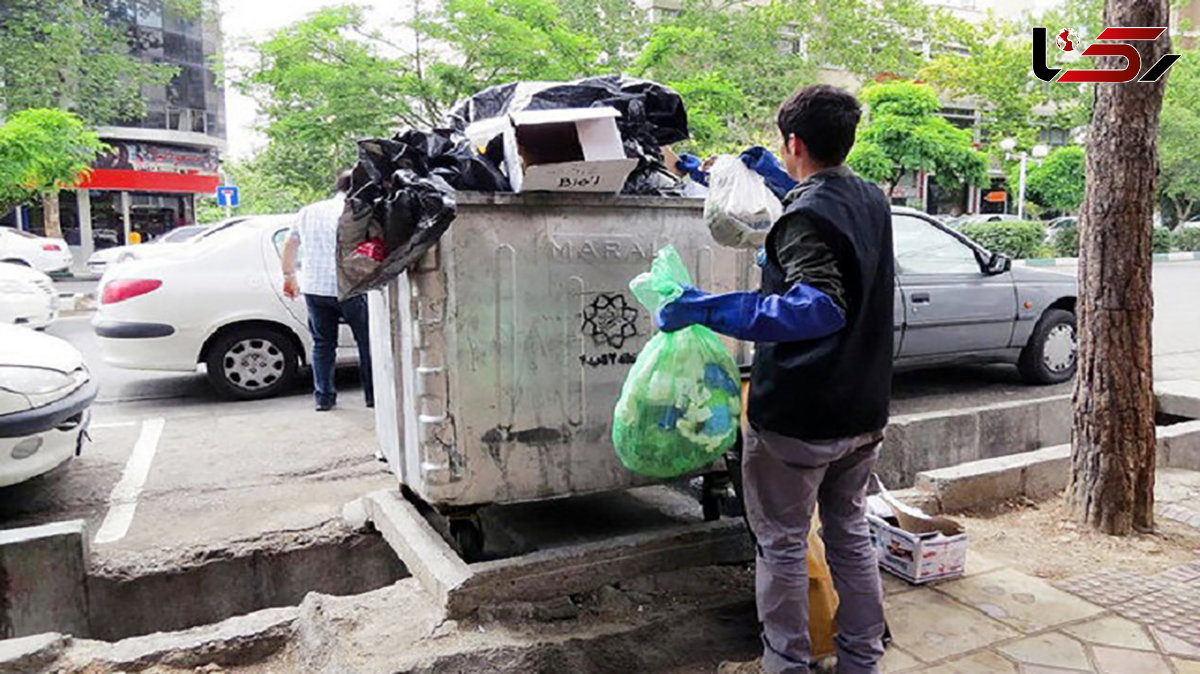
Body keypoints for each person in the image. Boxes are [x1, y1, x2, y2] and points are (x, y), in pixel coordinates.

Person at [657, 84, 894, 674]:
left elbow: (819, 307)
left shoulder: (805, 217)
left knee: (784, 546)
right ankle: (862, 661)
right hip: (862, 413)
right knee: (849, 535)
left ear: (793, 141)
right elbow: (825, 223)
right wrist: (770, 177)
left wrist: (704, 307)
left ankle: (786, 665)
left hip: (799, 419)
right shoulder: (870, 198)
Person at [282, 171, 374, 412]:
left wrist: (288, 276)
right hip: (350, 286)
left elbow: (291, 243)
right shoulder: (358, 210)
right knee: (366, 342)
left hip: (315, 287)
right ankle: (372, 396)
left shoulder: (309, 211)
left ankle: (324, 398)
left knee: (322, 344)